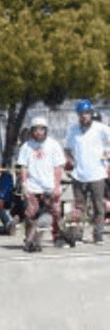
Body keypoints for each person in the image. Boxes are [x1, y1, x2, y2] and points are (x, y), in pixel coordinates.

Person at [18, 115, 71, 252]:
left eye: (41, 129)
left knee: (56, 212)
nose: (38, 132)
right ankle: (30, 239)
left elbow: (58, 167)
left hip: (49, 185)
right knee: (30, 213)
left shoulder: (53, 145)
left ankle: (57, 237)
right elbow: (23, 167)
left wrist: (57, 186)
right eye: (36, 129)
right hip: (32, 186)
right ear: (31, 131)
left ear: (46, 130)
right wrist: (23, 184)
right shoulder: (26, 146)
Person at [64, 99, 110, 244]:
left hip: (97, 174)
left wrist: (107, 155)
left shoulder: (101, 128)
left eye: (87, 113)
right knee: (78, 206)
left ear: (91, 113)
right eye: (82, 113)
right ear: (78, 115)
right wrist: (73, 162)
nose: (85, 116)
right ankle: (75, 235)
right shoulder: (73, 129)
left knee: (98, 206)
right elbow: (66, 148)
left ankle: (98, 236)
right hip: (79, 175)